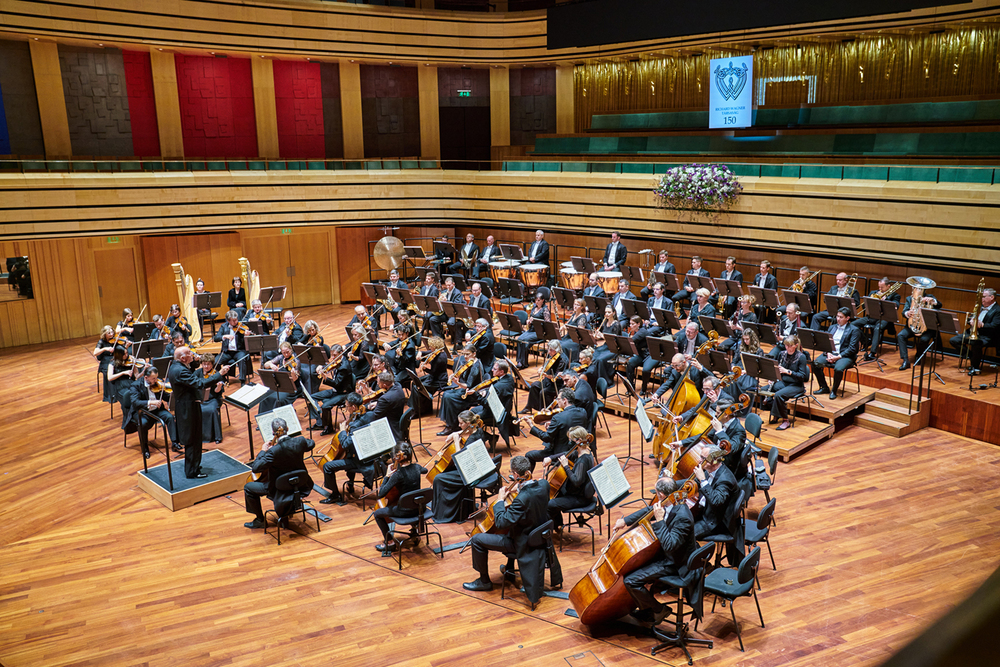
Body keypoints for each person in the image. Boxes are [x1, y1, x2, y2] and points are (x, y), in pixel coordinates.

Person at [463, 455, 552, 605]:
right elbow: (531, 490)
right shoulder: (544, 485)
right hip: (537, 537)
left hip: (522, 543)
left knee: (477, 539)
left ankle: (484, 581)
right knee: (515, 525)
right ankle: (510, 568)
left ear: (517, 475)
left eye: (512, 473)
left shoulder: (521, 500)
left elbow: (502, 522)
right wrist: (519, 487)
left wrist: (499, 500)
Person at [616, 476, 697, 624]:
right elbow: (650, 509)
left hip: (676, 563)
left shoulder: (682, 517)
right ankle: (646, 609)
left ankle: (659, 611)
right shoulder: (671, 501)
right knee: (633, 567)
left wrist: (659, 520)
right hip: (667, 555)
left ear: (661, 494)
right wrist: (625, 521)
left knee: (631, 580)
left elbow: (670, 545)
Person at [243, 418, 315, 529]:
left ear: (273, 433)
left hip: (278, 488)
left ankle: (260, 520)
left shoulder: (273, 451)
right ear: (287, 429)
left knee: (248, 487)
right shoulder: (300, 441)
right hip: (300, 484)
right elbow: (311, 443)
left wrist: (263, 451)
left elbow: (256, 468)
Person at [168, 346, 229, 479]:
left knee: (195, 438)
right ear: (183, 358)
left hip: (187, 406)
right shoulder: (180, 371)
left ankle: (194, 465)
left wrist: (194, 361)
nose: (193, 354)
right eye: (189, 353)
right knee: (193, 439)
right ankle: (192, 471)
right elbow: (200, 383)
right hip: (188, 409)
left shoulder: (176, 366)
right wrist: (219, 374)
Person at [431, 411, 487, 523]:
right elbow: (467, 431)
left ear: (467, 423)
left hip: (469, 472)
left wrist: (456, 442)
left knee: (438, 478)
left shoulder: (471, 439)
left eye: (461, 423)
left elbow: (460, 461)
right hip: (475, 467)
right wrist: (456, 433)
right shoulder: (479, 430)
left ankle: (444, 513)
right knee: (444, 469)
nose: (459, 425)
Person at [373, 443, 428, 556]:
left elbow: (381, 493)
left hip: (404, 512)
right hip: (419, 509)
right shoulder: (417, 467)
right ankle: (414, 529)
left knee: (377, 513)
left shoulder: (397, 475)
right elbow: (425, 470)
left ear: (395, 458)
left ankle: (390, 542)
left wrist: (387, 476)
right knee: (410, 500)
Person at [319, 393, 373, 504]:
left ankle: (335, 495)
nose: (345, 408)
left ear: (353, 407)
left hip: (359, 460)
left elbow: (346, 444)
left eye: (347, 406)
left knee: (327, 466)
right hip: (371, 454)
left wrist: (343, 431)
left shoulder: (356, 424)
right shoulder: (369, 415)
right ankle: (351, 484)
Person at [544, 426, 596, 534]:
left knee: (550, 504)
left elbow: (577, 481)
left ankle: (547, 532)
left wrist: (566, 466)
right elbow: (566, 454)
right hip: (574, 492)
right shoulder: (582, 451)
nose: (569, 442)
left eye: (570, 439)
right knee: (548, 495)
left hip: (580, 497)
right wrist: (551, 458)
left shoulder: (583, 460)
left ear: (578, 440)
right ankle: (557, 525)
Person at [522, 389, 589, 472]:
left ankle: (526, 480)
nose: (557, 401)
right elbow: (569, 424)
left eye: (558, 399)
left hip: (559, 453)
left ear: (565, 400)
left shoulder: (558, 418)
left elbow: (547, 437)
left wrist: (532, 426)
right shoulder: (583, 412)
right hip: (577, 450)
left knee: (529, 455)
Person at [128, 366, 179, 459]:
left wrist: (172, 393)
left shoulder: (158, 383)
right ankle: (145, 448)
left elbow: (165, 397)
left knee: (170, 417)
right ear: (146, 377)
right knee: (142, 424)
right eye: (153, 378)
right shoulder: (135, 385)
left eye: (156, 377)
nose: (156, 380)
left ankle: (175, 442)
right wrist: (151, 402)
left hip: (157, 410)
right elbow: (135, 403)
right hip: (143, 412)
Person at [811, 307, 861, 399]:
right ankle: (824, 387)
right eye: (837, 316)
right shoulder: (832, 327)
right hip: (831, 353)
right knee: (815, 364)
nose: (838, 319)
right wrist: (828, 352)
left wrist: (838, 357)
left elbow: (852, 349)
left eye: (841, 317)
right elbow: (826, 342)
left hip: (846, 356)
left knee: (838, 369)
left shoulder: (854, 330)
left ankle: (834, 390)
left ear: (847, 318)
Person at [438, 342, 486, 435]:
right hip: (466, 391)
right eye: (463, 354)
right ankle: (451, 422)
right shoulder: (468, 362)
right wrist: (455, 375)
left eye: (467, 354)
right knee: (446, 394)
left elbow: (468, 385)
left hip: (472, 394)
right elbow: (463, 377)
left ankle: (451, 426)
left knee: (449, 397)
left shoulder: (476, 366)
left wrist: (457, 382)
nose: (465, 356)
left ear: (474, 354)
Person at [950, 287, 998, 375]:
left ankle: (975, 368)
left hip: (987, 336)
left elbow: (995, 326)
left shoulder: (998, 310)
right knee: (954, 340)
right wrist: (970, 320)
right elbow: (972, 318)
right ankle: (971, 357)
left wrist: (982, 324)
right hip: (972, 332)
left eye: (983, 297)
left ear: (991, 297)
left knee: (975, 343)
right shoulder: (980, 307)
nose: (981, 299)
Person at [767, 335, 809, 431]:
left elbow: (802, 376)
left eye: (790, 346)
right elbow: (776, 370)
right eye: (786, 345)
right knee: (764, 390)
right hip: (784, 382)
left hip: (796, 385)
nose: (787, 348)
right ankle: (776, 413)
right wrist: (772, 378)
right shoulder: (782, 354)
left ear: (796, 345)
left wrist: (787, 371)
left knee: (778, 395)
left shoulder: (801, 357)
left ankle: (785, 420)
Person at [310, 344, 353, 434]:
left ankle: (329, 428)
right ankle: (320, 422)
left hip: (343, 393)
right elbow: (329, 367)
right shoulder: (337, 361)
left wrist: (326, 378)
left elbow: (337, 384)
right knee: (311, 397)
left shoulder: (344, 367)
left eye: (335, 355)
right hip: (336, 390)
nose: (333, 357)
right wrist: (322, 367)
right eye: (332, 355)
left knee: (325, 406)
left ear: (341, 353)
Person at [857, 277, 902, 361]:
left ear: (888, 286)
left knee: (877, 328)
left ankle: (873, 353)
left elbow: (896, 306)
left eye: (882, 287)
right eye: (879, 287)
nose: (880, 289)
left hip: (885, 318)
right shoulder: (873, 293)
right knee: (853, 325)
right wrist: (871, 301)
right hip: (872, 316)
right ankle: (866, 341)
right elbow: (863, 306)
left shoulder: (895, 296)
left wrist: (885, 300)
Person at [897, 289, 943, 371]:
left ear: (923, 290)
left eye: (919, 288)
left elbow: (939, 305)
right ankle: (905, 360)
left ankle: (919, 355)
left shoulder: (930, 297)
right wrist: (907, 313)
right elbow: (904, 311)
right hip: (912, 326)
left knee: (924, 339)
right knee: (901, 335)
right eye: (915, 287)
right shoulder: (909, 299)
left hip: (927, 328)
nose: (916, 289)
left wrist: (933, 301)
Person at [522, 339, 568, 412]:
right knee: (534, 385)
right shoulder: (552, 355)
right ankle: (529, 406)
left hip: (557, 384)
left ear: (557, 350)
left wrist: (546, 375)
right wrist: (541, 369)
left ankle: (545, 412)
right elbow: (546, 365)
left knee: (544, 392)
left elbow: (556, 377)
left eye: (551, 350)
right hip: (548, 381)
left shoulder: (562, 360)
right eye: (548, 349)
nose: (549, 352)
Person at [196, 353, 226, 444]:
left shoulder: (216, 374)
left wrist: (219, 387)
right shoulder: (197, 373)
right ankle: (198, 436)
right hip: (200, 399)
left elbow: (217, 392)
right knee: (196, 409)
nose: (206, 366)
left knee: (212, 410)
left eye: (208, 364)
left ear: (212, 364)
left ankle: (216, 436)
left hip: (213, 399)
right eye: (204, 364)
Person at [516, 291, 550, 369]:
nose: (536, 302)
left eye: (538, 300)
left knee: (524, 341)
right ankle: (519, 361)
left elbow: (548, 324)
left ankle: (524, 363)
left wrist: (536, 321)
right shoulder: (534, 307)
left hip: (539, 332)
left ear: (543, 300)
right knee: (519, 339)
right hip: (531, 330)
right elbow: (531, 317)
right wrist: (529, 321)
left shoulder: (545, 310)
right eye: (536, 300)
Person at [214, 310, 248, 382]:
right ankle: (222, 378)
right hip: (227, 352)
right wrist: (224, 336)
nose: (236, 322)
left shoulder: (241, 327)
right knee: (215, 362)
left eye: (236, 319)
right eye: (233, 320)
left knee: (242, 359)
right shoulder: (223, 326)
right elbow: (216, 338)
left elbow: (246, 342)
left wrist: (246, 335)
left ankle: (242, 381)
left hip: (238, 351)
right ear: (228, 321)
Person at [94, 325, 121, 404]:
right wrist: (105, 349)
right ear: (104, 334)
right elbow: (95, 353)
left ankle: (120, 393)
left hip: (115, 359)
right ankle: (111, 396)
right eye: (109, 333)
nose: (111, 334)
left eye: (112, 332)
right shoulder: (101, 341)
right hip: (105, 361)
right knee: (108, 371)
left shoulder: (116, 340)